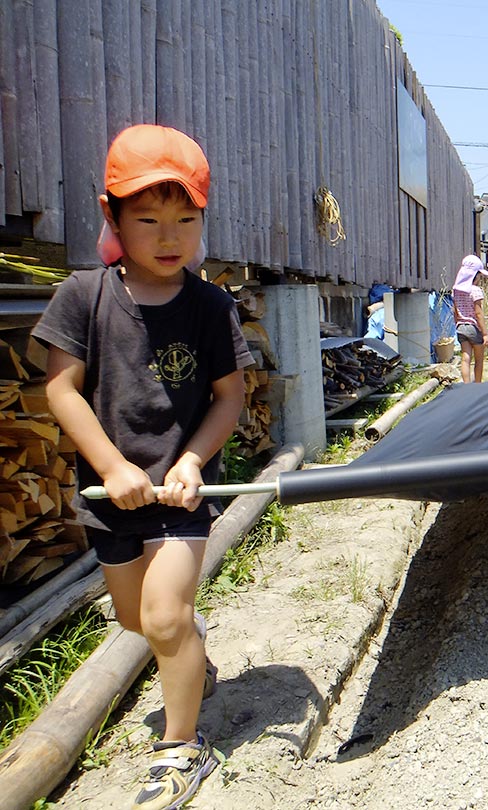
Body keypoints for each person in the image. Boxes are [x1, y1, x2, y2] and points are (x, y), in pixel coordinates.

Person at [31, 124, 252, 808]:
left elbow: (230, 397)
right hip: (111, 494)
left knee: (162, 617)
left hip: (181, 495)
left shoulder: (211, 306)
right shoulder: (82, 296)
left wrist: (192, 460)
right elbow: (61, 389)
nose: (168, 237)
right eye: (149, 219)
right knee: (138, 621)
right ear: (112, 214)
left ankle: (182, 749)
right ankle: (190, 648)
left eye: (186, 220)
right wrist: (110, 465)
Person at [452, 254, 488, 383]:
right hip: (473, 327)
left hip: (460, 327)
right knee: (479, 359)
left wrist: (457, 323)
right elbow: (478, 313)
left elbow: (454, 310)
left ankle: (467, 386)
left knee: (465, 358)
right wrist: (485, 334)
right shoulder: (475, 290)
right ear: (475, 275)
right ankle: (478, 385)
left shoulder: (456, 290)